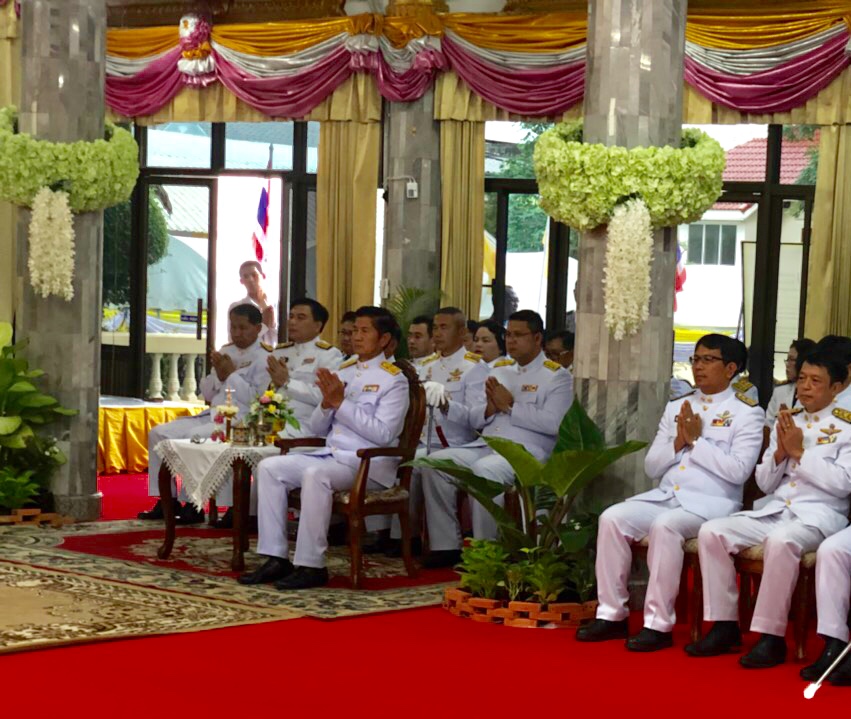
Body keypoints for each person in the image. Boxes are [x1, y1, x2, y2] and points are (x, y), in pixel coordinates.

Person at [576, 335, 764, 651]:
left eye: (708, 360)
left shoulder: (747, 412)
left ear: (731, 368)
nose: (699, 366)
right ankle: (611, 615)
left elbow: (738, 471)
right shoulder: (677, 405)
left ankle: (658, 624)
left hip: (713, 504)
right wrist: (678, 442)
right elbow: (652, 466)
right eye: (696, 359)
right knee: (612, 518)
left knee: (666, 526)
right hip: (667, 496)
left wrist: (695, 442)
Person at [686, 350, 851, 668]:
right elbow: (763, 481)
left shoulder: (846, 428)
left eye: (816, 381)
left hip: (818, 515)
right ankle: (724, 625)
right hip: (775, 511)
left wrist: (800, 453)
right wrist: (779, 454)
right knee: (712, 532)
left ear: (836, 388)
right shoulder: (790, 421)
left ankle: (771, 638)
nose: (805, 387)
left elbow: (843, 484)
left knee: (781, 542)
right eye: (802, 378)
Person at [237, 307, 409, 590]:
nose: (356, 337)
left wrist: (342, 403)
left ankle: (311, 564)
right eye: (354, 331)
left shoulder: (394, 380)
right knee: (269, 468)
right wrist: (328, 405)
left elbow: (383, 434)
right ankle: (275, 556)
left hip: (367, 464)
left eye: (365, 331)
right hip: (332, 455)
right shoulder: (345, 370)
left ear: (384, 339)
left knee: (316, 474)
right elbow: (318, 428)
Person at [420, 310, 573, 568]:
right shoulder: (500, 371)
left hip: (525, 452)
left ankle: (488, 551)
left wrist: (511, 407)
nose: (511, 341)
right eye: (508, 335)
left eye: (519, 335)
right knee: (433, 463)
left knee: (484, 471)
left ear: (537, 338)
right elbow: (474, 418)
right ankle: (445, 546)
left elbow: (554, 424)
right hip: (486, 445)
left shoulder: (556, 376)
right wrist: (484, 408)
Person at [139, 304, 271, 522]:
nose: (237, 333)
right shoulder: (226, 351)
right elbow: (207, 392)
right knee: (158, 433)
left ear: (258, 328)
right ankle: (166, 500)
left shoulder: (265, 357)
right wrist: (219, 376)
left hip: (241, 419)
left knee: (195, 437)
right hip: (212, 414)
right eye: (233, 327)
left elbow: (256, 399)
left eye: (243, 328)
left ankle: (195, 503)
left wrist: (231, 375)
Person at [385, 307, 489, 556]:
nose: (438, 333)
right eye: (435, 328)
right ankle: (403, 536)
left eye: (444, 327)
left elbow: (477, 418)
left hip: (456, 443)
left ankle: (445, 545)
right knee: (396, 460)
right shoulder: (426, 365)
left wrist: (446, 404)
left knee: (427, 465)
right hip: (421, 439)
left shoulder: (474, 368)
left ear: (462, 332)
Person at [267, 298, 344, 437]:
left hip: (305, 426)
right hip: (273, 420)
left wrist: (287, 382)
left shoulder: (329, 355)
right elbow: (266, 390)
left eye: (301, 318)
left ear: (317, 326)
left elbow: (324, 397)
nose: (292, 322)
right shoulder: (279, 352)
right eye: (291, 316)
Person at [764, 338, 816, 438]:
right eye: (787, 359)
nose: (787, 365)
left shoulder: (816, 393)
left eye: (792, 360)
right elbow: (768, 425)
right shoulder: (780, 392)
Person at [227, 260, 277, 347]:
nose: (250, 280)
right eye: (246, 276)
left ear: (263, 276)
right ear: (241, 281)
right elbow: (235, 338)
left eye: (254, 275)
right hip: (247, 357)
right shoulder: (237, 307)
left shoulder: (277, 305)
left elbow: (286, 335)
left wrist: (272, 324)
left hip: (273, 356)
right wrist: (264, 325)